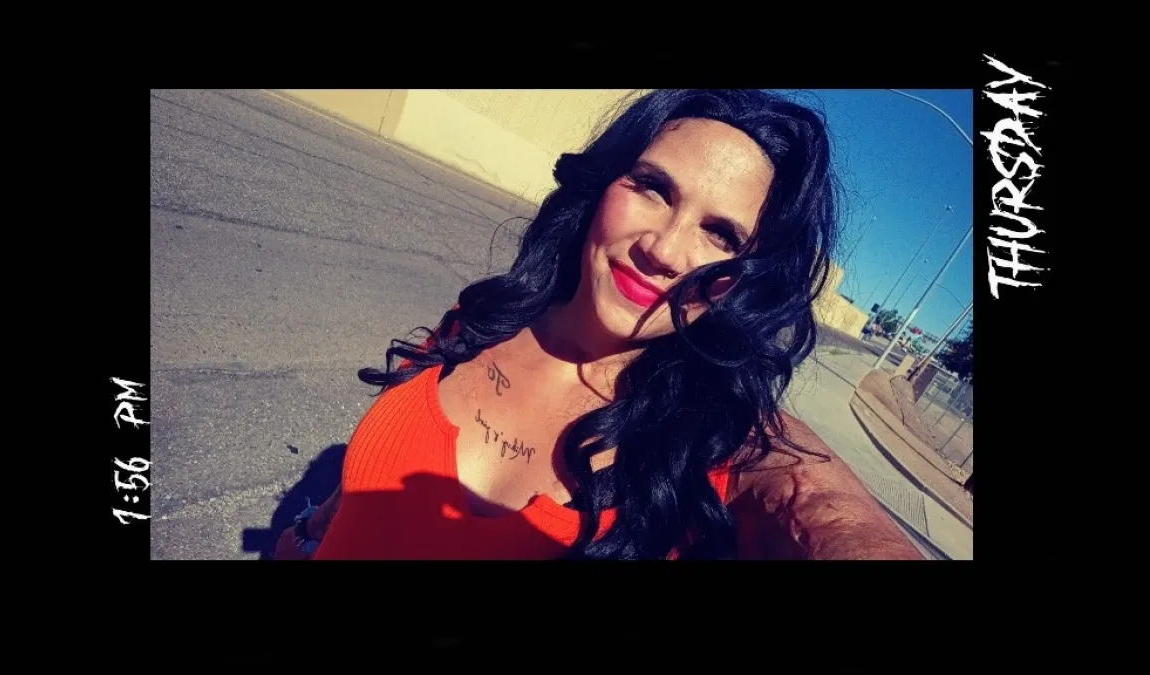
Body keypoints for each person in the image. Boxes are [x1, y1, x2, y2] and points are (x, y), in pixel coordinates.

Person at [274, 89, 924, 560]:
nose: (664, 250)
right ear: (605, 183)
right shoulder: (481, 319)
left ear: (747, 280)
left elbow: (822, 511)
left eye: (720, 234)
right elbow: (380, 471)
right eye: (653, 187)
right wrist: (314, 528)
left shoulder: (703, 449)